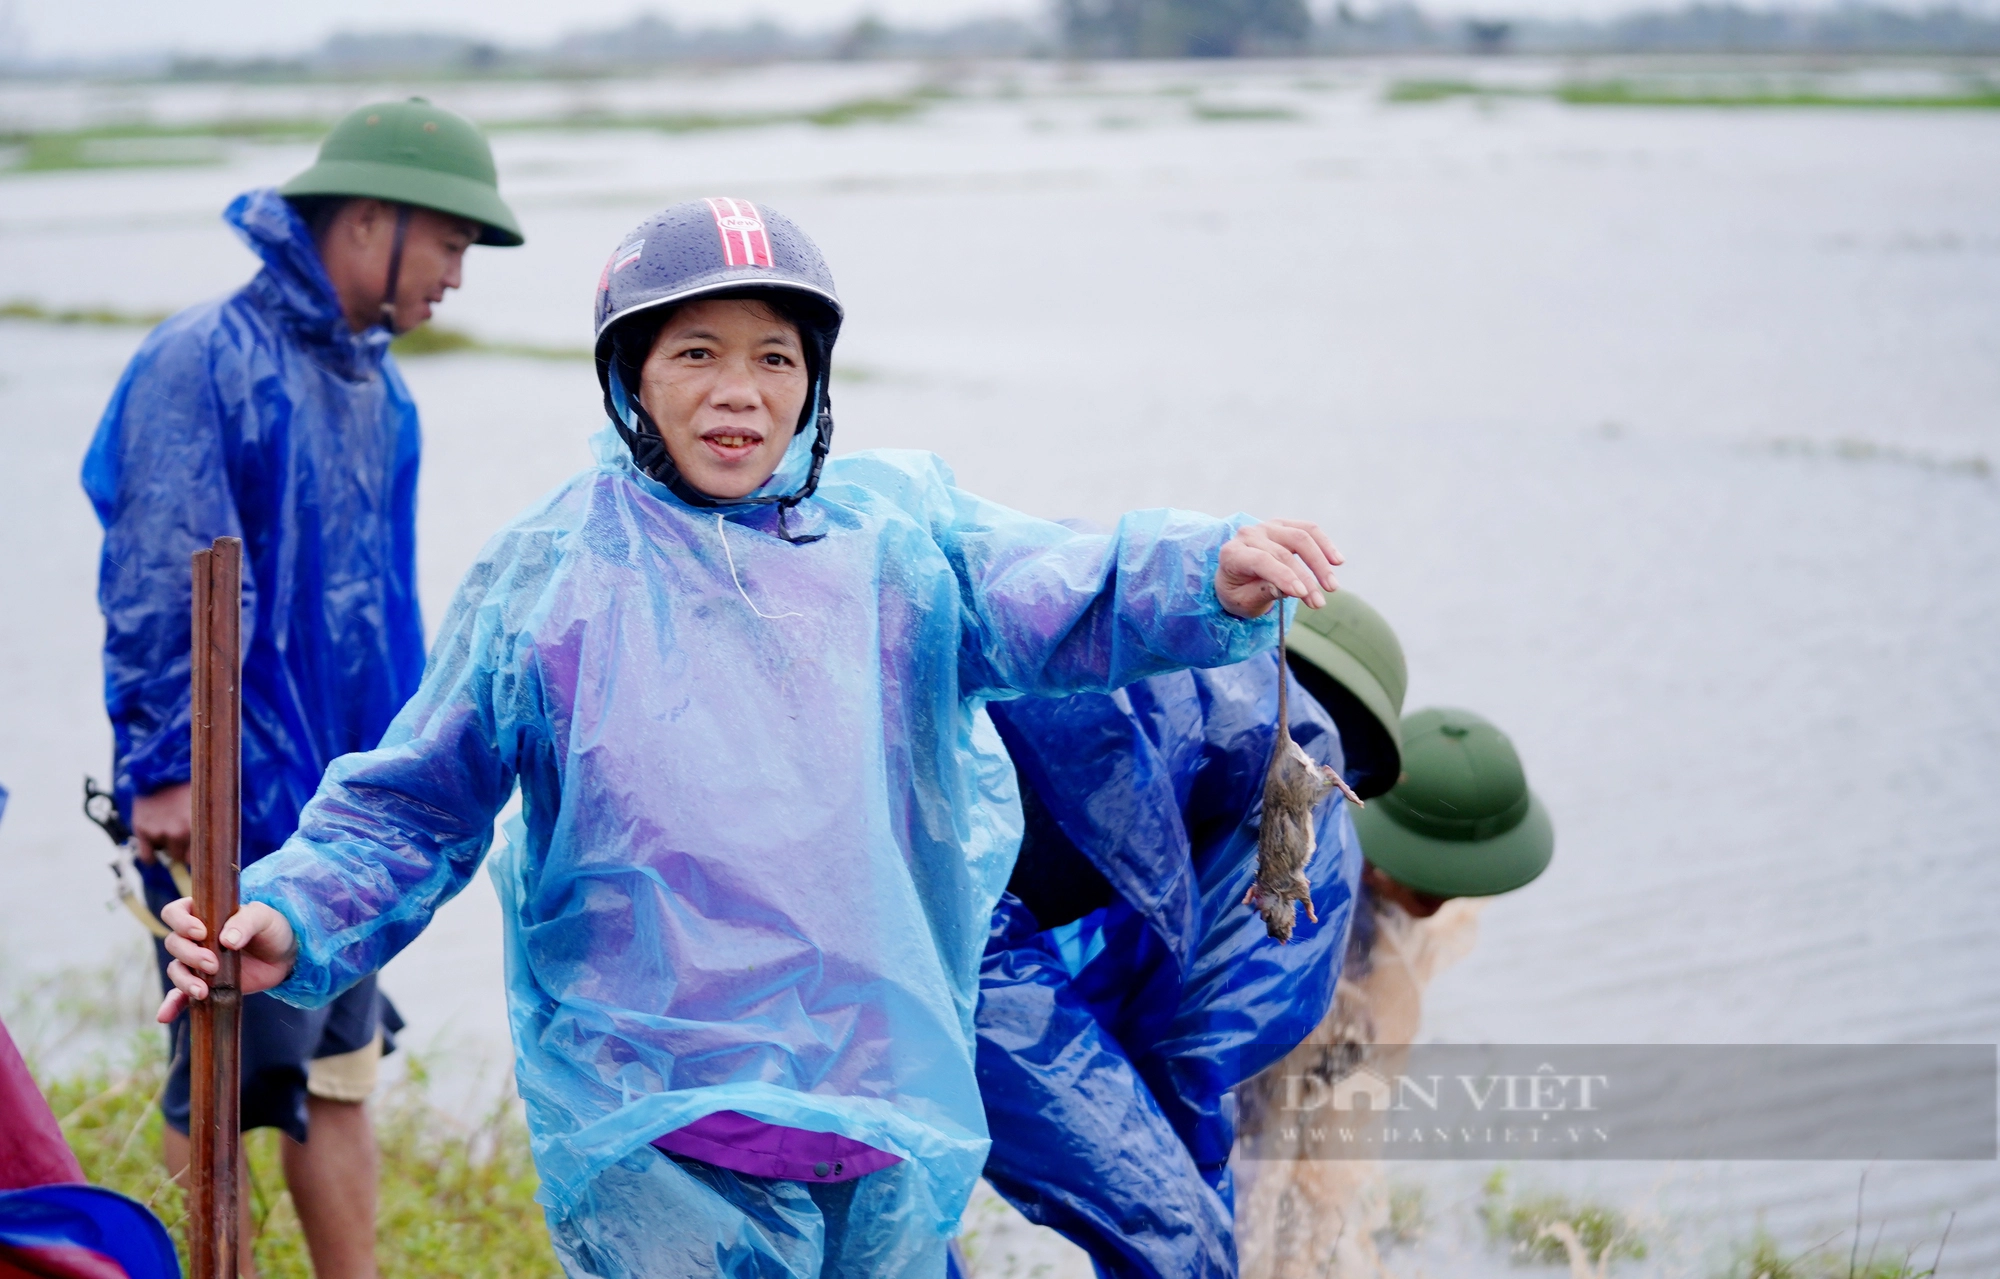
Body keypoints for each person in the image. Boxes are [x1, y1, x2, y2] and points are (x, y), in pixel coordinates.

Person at [151, 197, 1344, 1279]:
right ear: (631, 379)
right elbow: (414, 800)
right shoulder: (551, 579)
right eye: (697, 354)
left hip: (882, 1118)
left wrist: (1208, 568)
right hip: (661, 1133)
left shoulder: (897, 546)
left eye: (774, 357)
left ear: (814, 381)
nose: (740, 391)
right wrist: (295, 911)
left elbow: (1066, 585)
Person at [80, 98, 522, 1278]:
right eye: (450, 243)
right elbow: (158, 570)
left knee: (341, 1068)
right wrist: (167, 766)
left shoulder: (383, 391)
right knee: (223, 1080)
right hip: (234, 794)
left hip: (351, 805)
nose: (457, 276)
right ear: (369, 219)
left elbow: (384, 601)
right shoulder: (203, 358)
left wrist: (404, 786)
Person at [968, 590, 1407, 1278]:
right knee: (1180, 1245)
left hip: (859, 903)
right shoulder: (1296, 796)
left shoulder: (1140, 640)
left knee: (867, 1190)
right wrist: (1194, 1195)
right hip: (948, 926)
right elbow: (1198, 1056)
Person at [1233, 707, 1555, 1279]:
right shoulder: (1309, 878)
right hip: (1247, 1089)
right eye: (1430, 882)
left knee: (1307, 1209)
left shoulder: (1377, 904)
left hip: (1304, 1077)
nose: (1440, 902)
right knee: (1252, 1204)